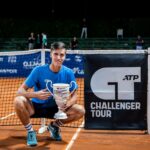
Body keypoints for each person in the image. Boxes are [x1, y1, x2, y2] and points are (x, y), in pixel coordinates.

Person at [14, 41, 85, 146]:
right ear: (51, 54)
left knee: (80, 110)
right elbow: (20, 91)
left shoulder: (68, 72)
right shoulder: (38, 70)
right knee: (18, 101)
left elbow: (75, 95)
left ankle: (54, 126)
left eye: (62, 55)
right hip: (35, 108)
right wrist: (35, 95)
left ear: (65, 56)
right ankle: (30, 132)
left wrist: (68, 103)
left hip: (56, 109)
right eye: (56, 54)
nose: (58, 57)